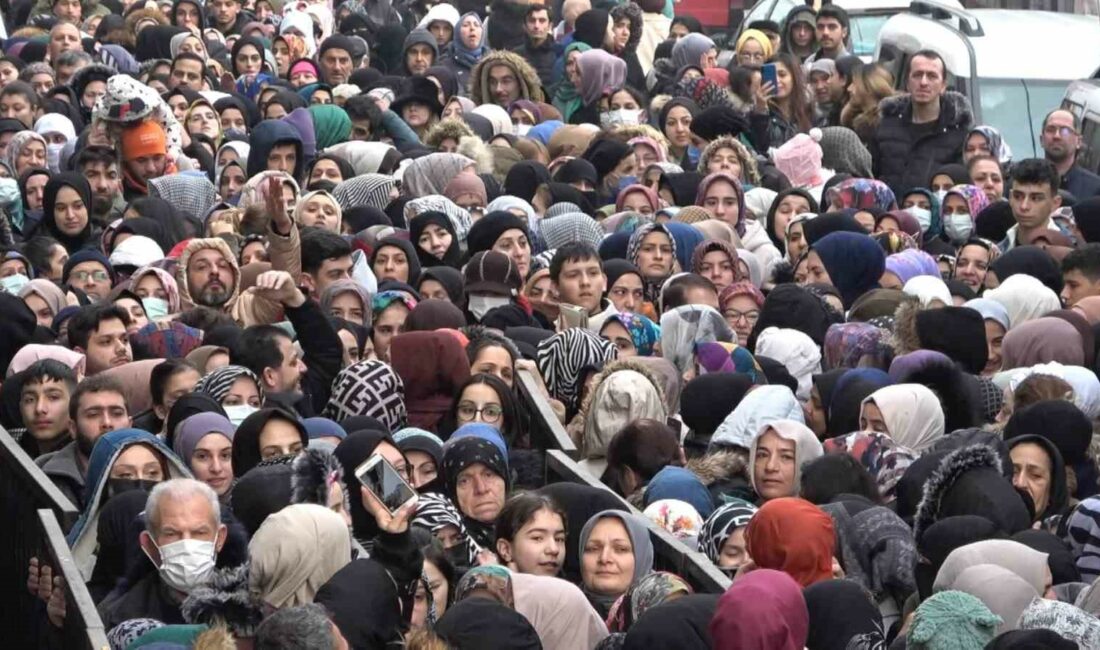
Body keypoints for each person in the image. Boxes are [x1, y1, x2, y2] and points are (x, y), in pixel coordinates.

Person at [99, 478, 229, 629]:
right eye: (171, 534)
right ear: (149, 544)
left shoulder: (248, 608)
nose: (186, 545)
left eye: (199, 532)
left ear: (219, 538)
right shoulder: (117, 616)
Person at [871, 50, 973, 197]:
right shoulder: (886, 127)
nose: (923, 82)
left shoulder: (959, 134)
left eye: (932, 76)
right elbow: (871, 177)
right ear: (907, 83)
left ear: (943, 85)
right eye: (917, 75)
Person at [494, 492, 567, 576]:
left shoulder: (571, 589)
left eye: (559, 539)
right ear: (506, 549)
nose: (554, 549)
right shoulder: (484, 588)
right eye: (537, 538)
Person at [1000, 158, 1062, 251]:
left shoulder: (1070, 249)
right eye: (1018, 196)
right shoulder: (997, 251)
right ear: (1010, 197)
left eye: (1035, 198)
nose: (1024, 206)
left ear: (1055, 203)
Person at [1041, 109, 1100, 199]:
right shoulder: (1022, 177)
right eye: (1051, 130)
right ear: (1041, 139)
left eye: (1065, 131)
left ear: (1079, 142)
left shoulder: (1095, 189)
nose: (1057, 136)